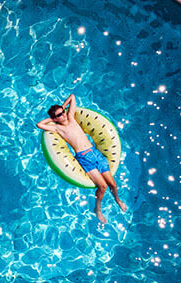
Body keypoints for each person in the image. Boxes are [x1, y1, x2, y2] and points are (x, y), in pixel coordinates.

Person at [36, 94, 126, 223]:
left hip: (96, 154)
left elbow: (72, 97)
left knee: (113, 184)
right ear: (55, 118)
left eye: (63, 112)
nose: (63, 114)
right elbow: (39, 125)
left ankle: (117, 200)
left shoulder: (72, 118)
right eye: (59, 115)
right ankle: (98, 209)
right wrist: (51, 118)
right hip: (84, 158)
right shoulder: (58, 128)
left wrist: (63, 106)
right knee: (102, 186)